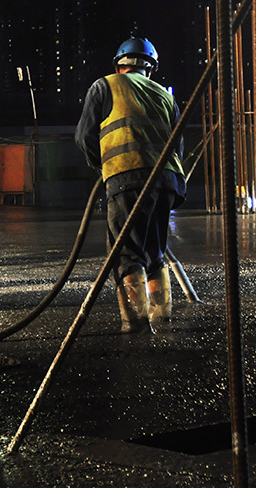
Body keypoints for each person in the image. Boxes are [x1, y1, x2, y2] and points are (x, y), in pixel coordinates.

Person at [74, 37, 185, 334]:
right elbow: (178, 146)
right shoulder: (165, 95)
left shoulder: (105, 85)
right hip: (168, 180)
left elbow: (84, 138)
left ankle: (135, 322)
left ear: (118, 65)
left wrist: (105, 167)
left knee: (126, 252)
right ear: (150, 68)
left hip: (127, 177)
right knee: (155, 250)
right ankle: (162, 316)